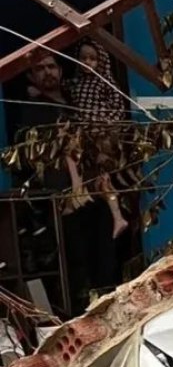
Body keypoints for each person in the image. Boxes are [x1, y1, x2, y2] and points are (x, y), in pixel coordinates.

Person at [14, 51, 119, 315]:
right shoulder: (33, 111)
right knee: (76, 259)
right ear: (31, 76)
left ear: (61, 71)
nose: (47, 72)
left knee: (105, 252)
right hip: (65, 197)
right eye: (40, 69)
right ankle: (84, 313)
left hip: (97, 187)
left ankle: (111, 303)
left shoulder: (77, 97)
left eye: (51, 66)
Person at [67, 41, 129, 238]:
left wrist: (100, 123)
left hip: (102, 135)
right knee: (74, 156)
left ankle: (118, 218)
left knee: (104, 178)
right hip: (84, 134)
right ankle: (78, 192)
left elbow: (118, 109)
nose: (87, 62)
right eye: (83, 58)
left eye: (92, 58)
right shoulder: (75, 83)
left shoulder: (106, 82)